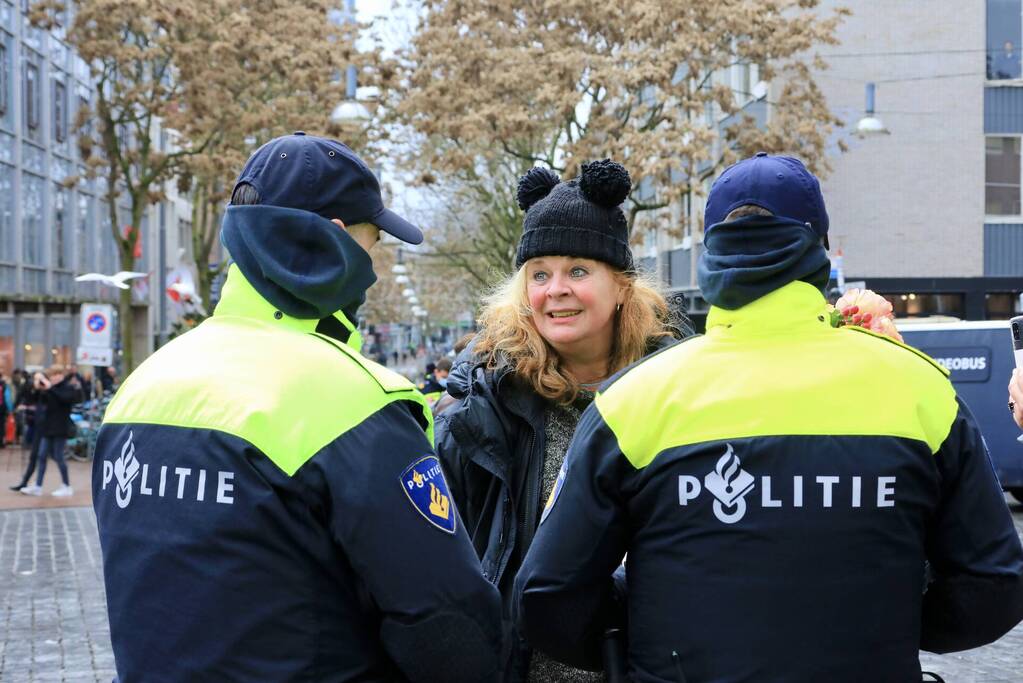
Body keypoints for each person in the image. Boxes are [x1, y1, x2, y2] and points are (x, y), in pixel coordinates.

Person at [516, 153, 1023, 682]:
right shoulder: (922, 393)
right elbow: (995, 584)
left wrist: (645, 625)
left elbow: (548, 595)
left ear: (711, 254)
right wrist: (892, 620)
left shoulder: (633, 401)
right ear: (818, 250)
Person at [92, 133, 503, 682]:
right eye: (373, 241)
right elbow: (451, 628)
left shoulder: (141, 386)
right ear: (337, 240)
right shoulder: (353, 398)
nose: (374, 266)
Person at [436, 159, 688, 682]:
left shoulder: (679, 389)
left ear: (621, 286)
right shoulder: (483, 407)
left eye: (578, 270)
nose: (556, 290)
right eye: (540, 274)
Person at [19, 367, 78, 496]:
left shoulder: (67, 388)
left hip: (60, 428)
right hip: (47, 428)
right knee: (41, 456)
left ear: (62, 375)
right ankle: (38, 486)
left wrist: (50, 388)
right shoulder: (49, 389)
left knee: (58, 457)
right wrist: (36, 387)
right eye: (52, 375)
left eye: (57, 374)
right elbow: (33, 399)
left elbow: (65, 399)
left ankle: (66, 486)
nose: (54, 377)